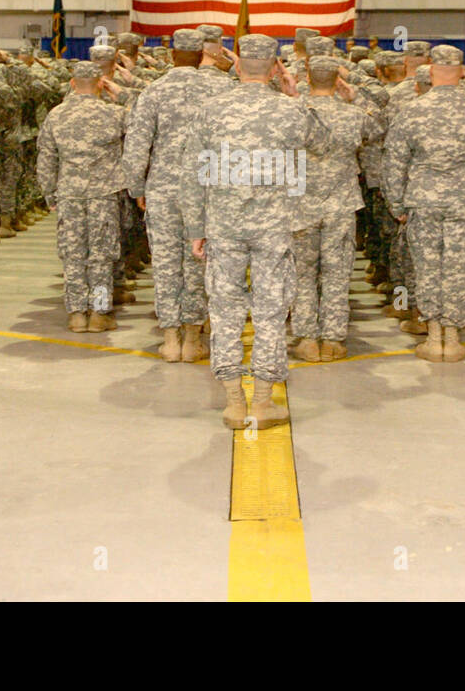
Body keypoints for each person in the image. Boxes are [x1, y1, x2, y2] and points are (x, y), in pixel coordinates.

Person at [181, 33, 352, 429]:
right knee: (271, 310)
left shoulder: (210, 110)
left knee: (224, 311)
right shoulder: (289, 110)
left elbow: (193, 175)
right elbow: (326, 143)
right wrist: (296, 97)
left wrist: (195, 227)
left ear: (237, 65)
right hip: (274, 227)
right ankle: (262, 402)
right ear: (276, 68)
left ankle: (232, 403)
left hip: (223, 225)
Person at [383, 44, 465, 362]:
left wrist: (397, 206)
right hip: (462, 201)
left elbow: (394, 162)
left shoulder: (412, 109)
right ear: (462, 71)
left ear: (429, 69)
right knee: (456, 270)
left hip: (423, 200)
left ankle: (433, 337)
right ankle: (453, 339)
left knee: (427, 268)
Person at [121, 29, 210, 361]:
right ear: (201, 56)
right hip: (205, 190)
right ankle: (192, 338)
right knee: (198, 264)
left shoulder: (153, 91)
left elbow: (136, 147)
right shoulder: (219, 91)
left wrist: (138, 188)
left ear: (172, 55)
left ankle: (170, 339)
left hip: (163, 189)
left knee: (166, 264)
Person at [289, 48, 380, 361]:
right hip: (341, 203)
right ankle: (333, 339)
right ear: (339, 79)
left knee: (302, 274)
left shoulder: (292, 110)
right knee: (337, 273)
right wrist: (355, 98)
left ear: (307, 77)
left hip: (300, 203)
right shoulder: (353, 113)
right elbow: (379, 129)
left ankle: (305, 338)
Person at [36, 54, 128, 334]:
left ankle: (77, 313)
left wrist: (49, 193)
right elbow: (135, 143)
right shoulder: (115, 113)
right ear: (101, 84)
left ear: (73, 83)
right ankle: (99, 314)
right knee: (102, 256)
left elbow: (46, 158)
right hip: (104, 194)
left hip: (69, 193)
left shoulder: (57, 114)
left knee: (73, 255)